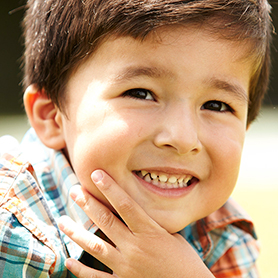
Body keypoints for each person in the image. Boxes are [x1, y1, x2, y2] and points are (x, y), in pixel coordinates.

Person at [0, 0, 272, 277]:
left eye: (216, 105)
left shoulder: (223, 232)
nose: (182, 138)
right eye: (140, 93)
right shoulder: (11, 230)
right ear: (51, 116)